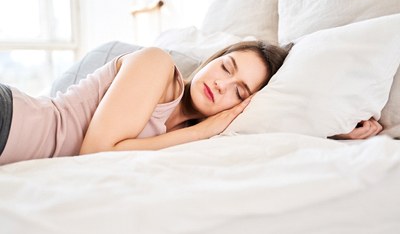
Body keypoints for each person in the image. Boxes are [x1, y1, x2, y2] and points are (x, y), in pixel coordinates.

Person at [0, 41, 382, 165]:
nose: (223, 84)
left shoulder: (192, 137)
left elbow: (280, 127)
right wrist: (205, 130)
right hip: (11, 118)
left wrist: (335, 132)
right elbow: (96, 152)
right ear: (210, 60)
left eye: (240, 91)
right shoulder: (157, 64)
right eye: (226, 67)